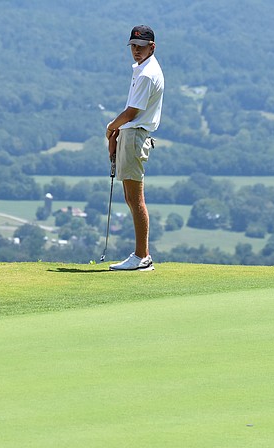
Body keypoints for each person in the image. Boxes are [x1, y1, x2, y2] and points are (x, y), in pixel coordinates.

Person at [105, 25, 164, 271]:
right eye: (133, 47)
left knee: (135, 198)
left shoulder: (146, 74)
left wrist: (110, 127)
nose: (136, 51)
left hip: (135, 136)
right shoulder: (142, 69)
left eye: (141, 47)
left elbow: (131, 113)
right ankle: (142, 256)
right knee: (131, 197)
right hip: (132, 136)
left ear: (152, 47)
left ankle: (142, 257)